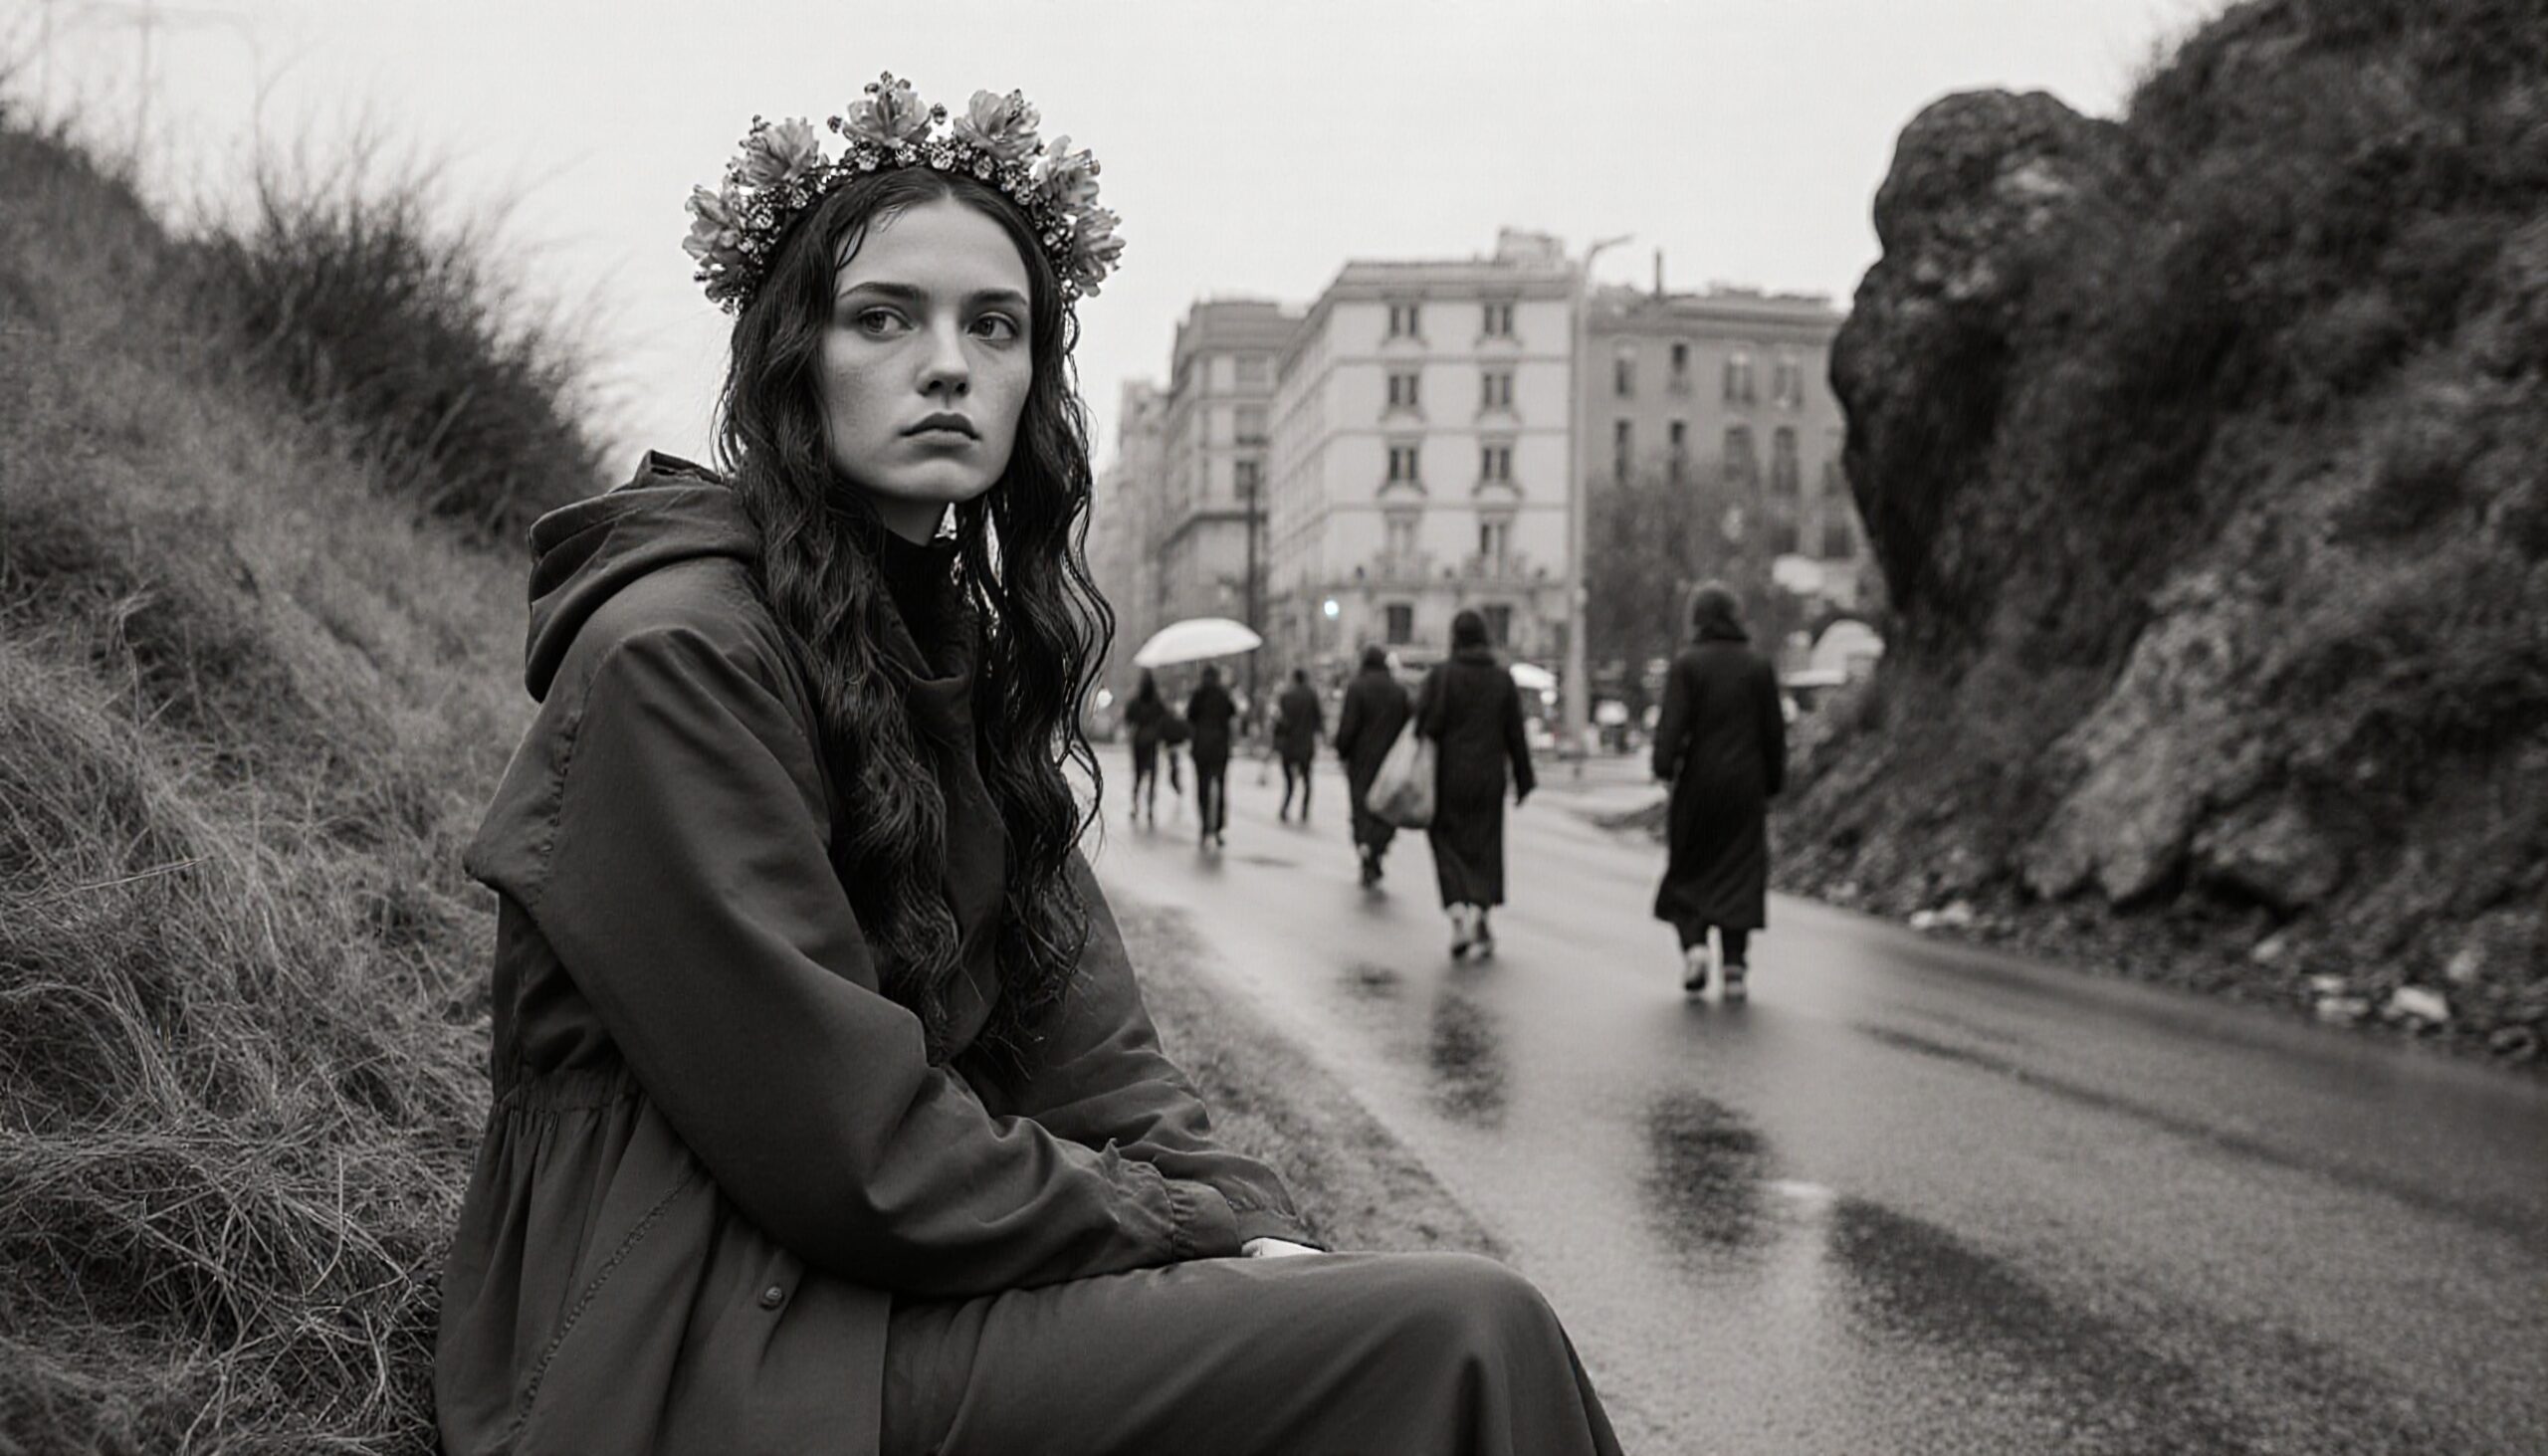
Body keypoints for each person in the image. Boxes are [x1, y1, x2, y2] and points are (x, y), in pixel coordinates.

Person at [432, 77, 1622, 1456]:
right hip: (683, 1329)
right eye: (885, 317)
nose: (949, 364)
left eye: (994, 325)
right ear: (792, 356)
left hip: (869, 1282)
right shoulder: (675, 656)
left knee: (1424, 1322)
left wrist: (1255, 1223)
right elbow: (848, 1145)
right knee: (1467, 1329)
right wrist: (1181, 1223)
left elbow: (1100, 1062)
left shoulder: (951, 663)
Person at [1650, 580, 1788, 998]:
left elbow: (1672, 727)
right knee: (1739, 873)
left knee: (1689, 868)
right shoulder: (1758, 667)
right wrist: (1773, 782)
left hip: (1699, 785)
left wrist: (1664, 768)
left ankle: (1695, 947)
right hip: (1745, 786)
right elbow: (1773, 733)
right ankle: (1734, 965)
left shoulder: (1687, 666)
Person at [1417, 608, 1536, 960]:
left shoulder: (1442, 676)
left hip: (1448, 776)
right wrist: (1524, 779)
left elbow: (1427, 725)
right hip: (1489, 778)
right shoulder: (1502, 679)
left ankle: (1457, 911)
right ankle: (1480, 911)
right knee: (1485, 846)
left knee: (1445, 842)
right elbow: (1515, 733)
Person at [1333, 644, 1412, 887]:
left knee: (1361, 806)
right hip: (1390, 762)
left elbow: (1348, 725)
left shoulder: (1357, 688)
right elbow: (1408, 727)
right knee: (1385, 808)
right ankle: (1377, 849)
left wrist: (1342, 750)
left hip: (1361, 760)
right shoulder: (1399, 691)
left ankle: (1365, 847)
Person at [1183, 663, 1237, 848]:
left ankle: (1204, 824)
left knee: (1202, 787)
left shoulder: (1198, 695)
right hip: (1220, 747)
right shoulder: (1223, 695)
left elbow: (1189, 718)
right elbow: (1232, 714)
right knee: (1221, 786)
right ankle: (1219, 826)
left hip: (1201, 748)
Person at [1272, 667, 1323, 823]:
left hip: (1289, 744)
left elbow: (1281, 721)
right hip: (1305, 744)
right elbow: (1318, 720)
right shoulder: (1312, 696)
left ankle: (1285, 807)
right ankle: (1304, 810)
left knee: (1289, 780)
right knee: (1307, 779)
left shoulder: (1286, 696)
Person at [1123, 670, 1168, 826]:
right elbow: (1164, 717)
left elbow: (1128, 718)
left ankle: (1135, 805)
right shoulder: (1156, 701)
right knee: (1152, 776)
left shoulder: (1136, 700)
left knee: (1138, 775)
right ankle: (1150, 807)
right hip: (1152, 741)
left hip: (1139, 740)